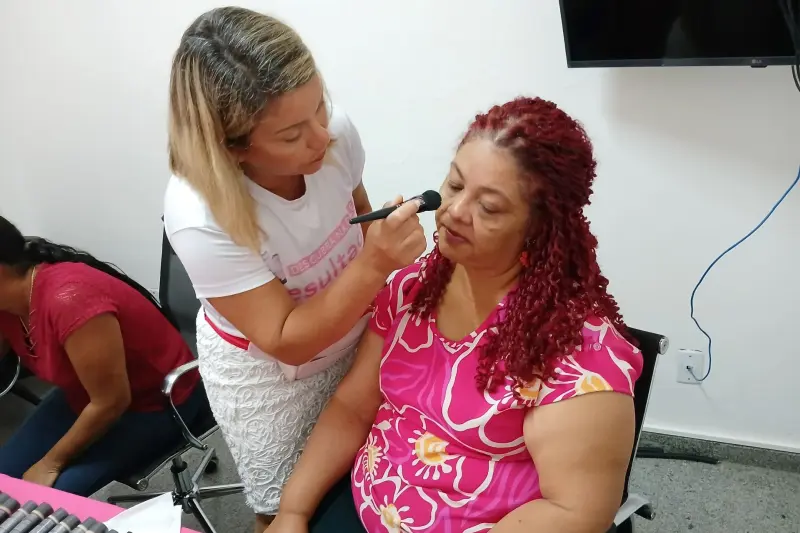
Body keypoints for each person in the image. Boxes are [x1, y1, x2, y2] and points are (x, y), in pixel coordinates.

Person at [268, 97, 645, 533]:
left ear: (539, 228)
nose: (454, 211)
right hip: (365, 503)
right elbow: (353, 407)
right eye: (454, 184)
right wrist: (292, 511)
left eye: (489, 208)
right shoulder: (413, 288)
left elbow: (574, 511)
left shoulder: (577, 356)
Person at [163, 7, 426, 531]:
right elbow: (287, 340)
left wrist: (381, 271)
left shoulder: (333, 132)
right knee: (284, 505)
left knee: (374, 457)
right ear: (231, 148)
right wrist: (377, 263)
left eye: (320, 107)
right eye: (290, 135)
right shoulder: (199, 215)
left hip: (356, 321)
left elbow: (359, 215)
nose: (322, 137)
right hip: (272, 371)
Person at [0, 216, 204, 497]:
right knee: (4, 480)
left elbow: (111, 401)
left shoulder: (69, 299)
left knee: (45, 501)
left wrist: (50, 463)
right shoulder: (8, 303)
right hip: (83, 394)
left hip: (153, 404)